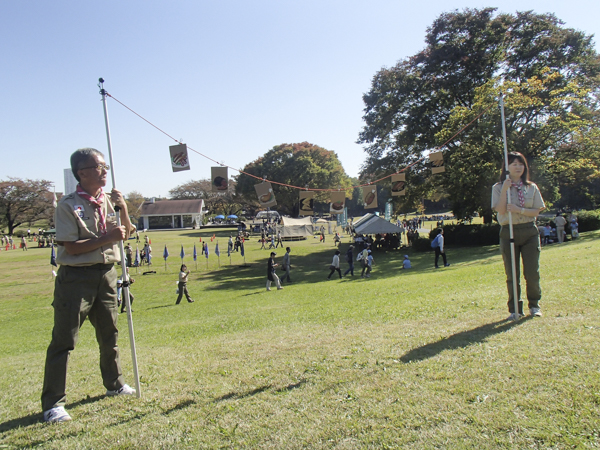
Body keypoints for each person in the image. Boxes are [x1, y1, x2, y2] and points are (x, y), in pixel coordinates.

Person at [41, 148, 136, 424]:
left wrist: (124, 209)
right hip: (76, 279)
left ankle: (114, 384)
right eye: (98, 167)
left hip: (106, 273)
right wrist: (106, 238)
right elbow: (70, 246)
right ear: (81, 172)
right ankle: (53, 404)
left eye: (105, 166)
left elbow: (125, 233)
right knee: (64, 340)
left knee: (110, 334)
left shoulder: (109, 201)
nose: (104, 171)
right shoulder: (68, 205)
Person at [492, 151, 545, 320]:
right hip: (509, 231)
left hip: (529, 231)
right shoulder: (498, 187)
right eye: (514, 164)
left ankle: (534, 305)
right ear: (506, 167)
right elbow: (500, 210)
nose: (518, 167)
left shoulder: (531, 187)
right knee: (512, 274)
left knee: (532, 272)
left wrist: (519, 210)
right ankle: (515, 309)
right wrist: (505, 190)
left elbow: (537, 210)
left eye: (521, 164)